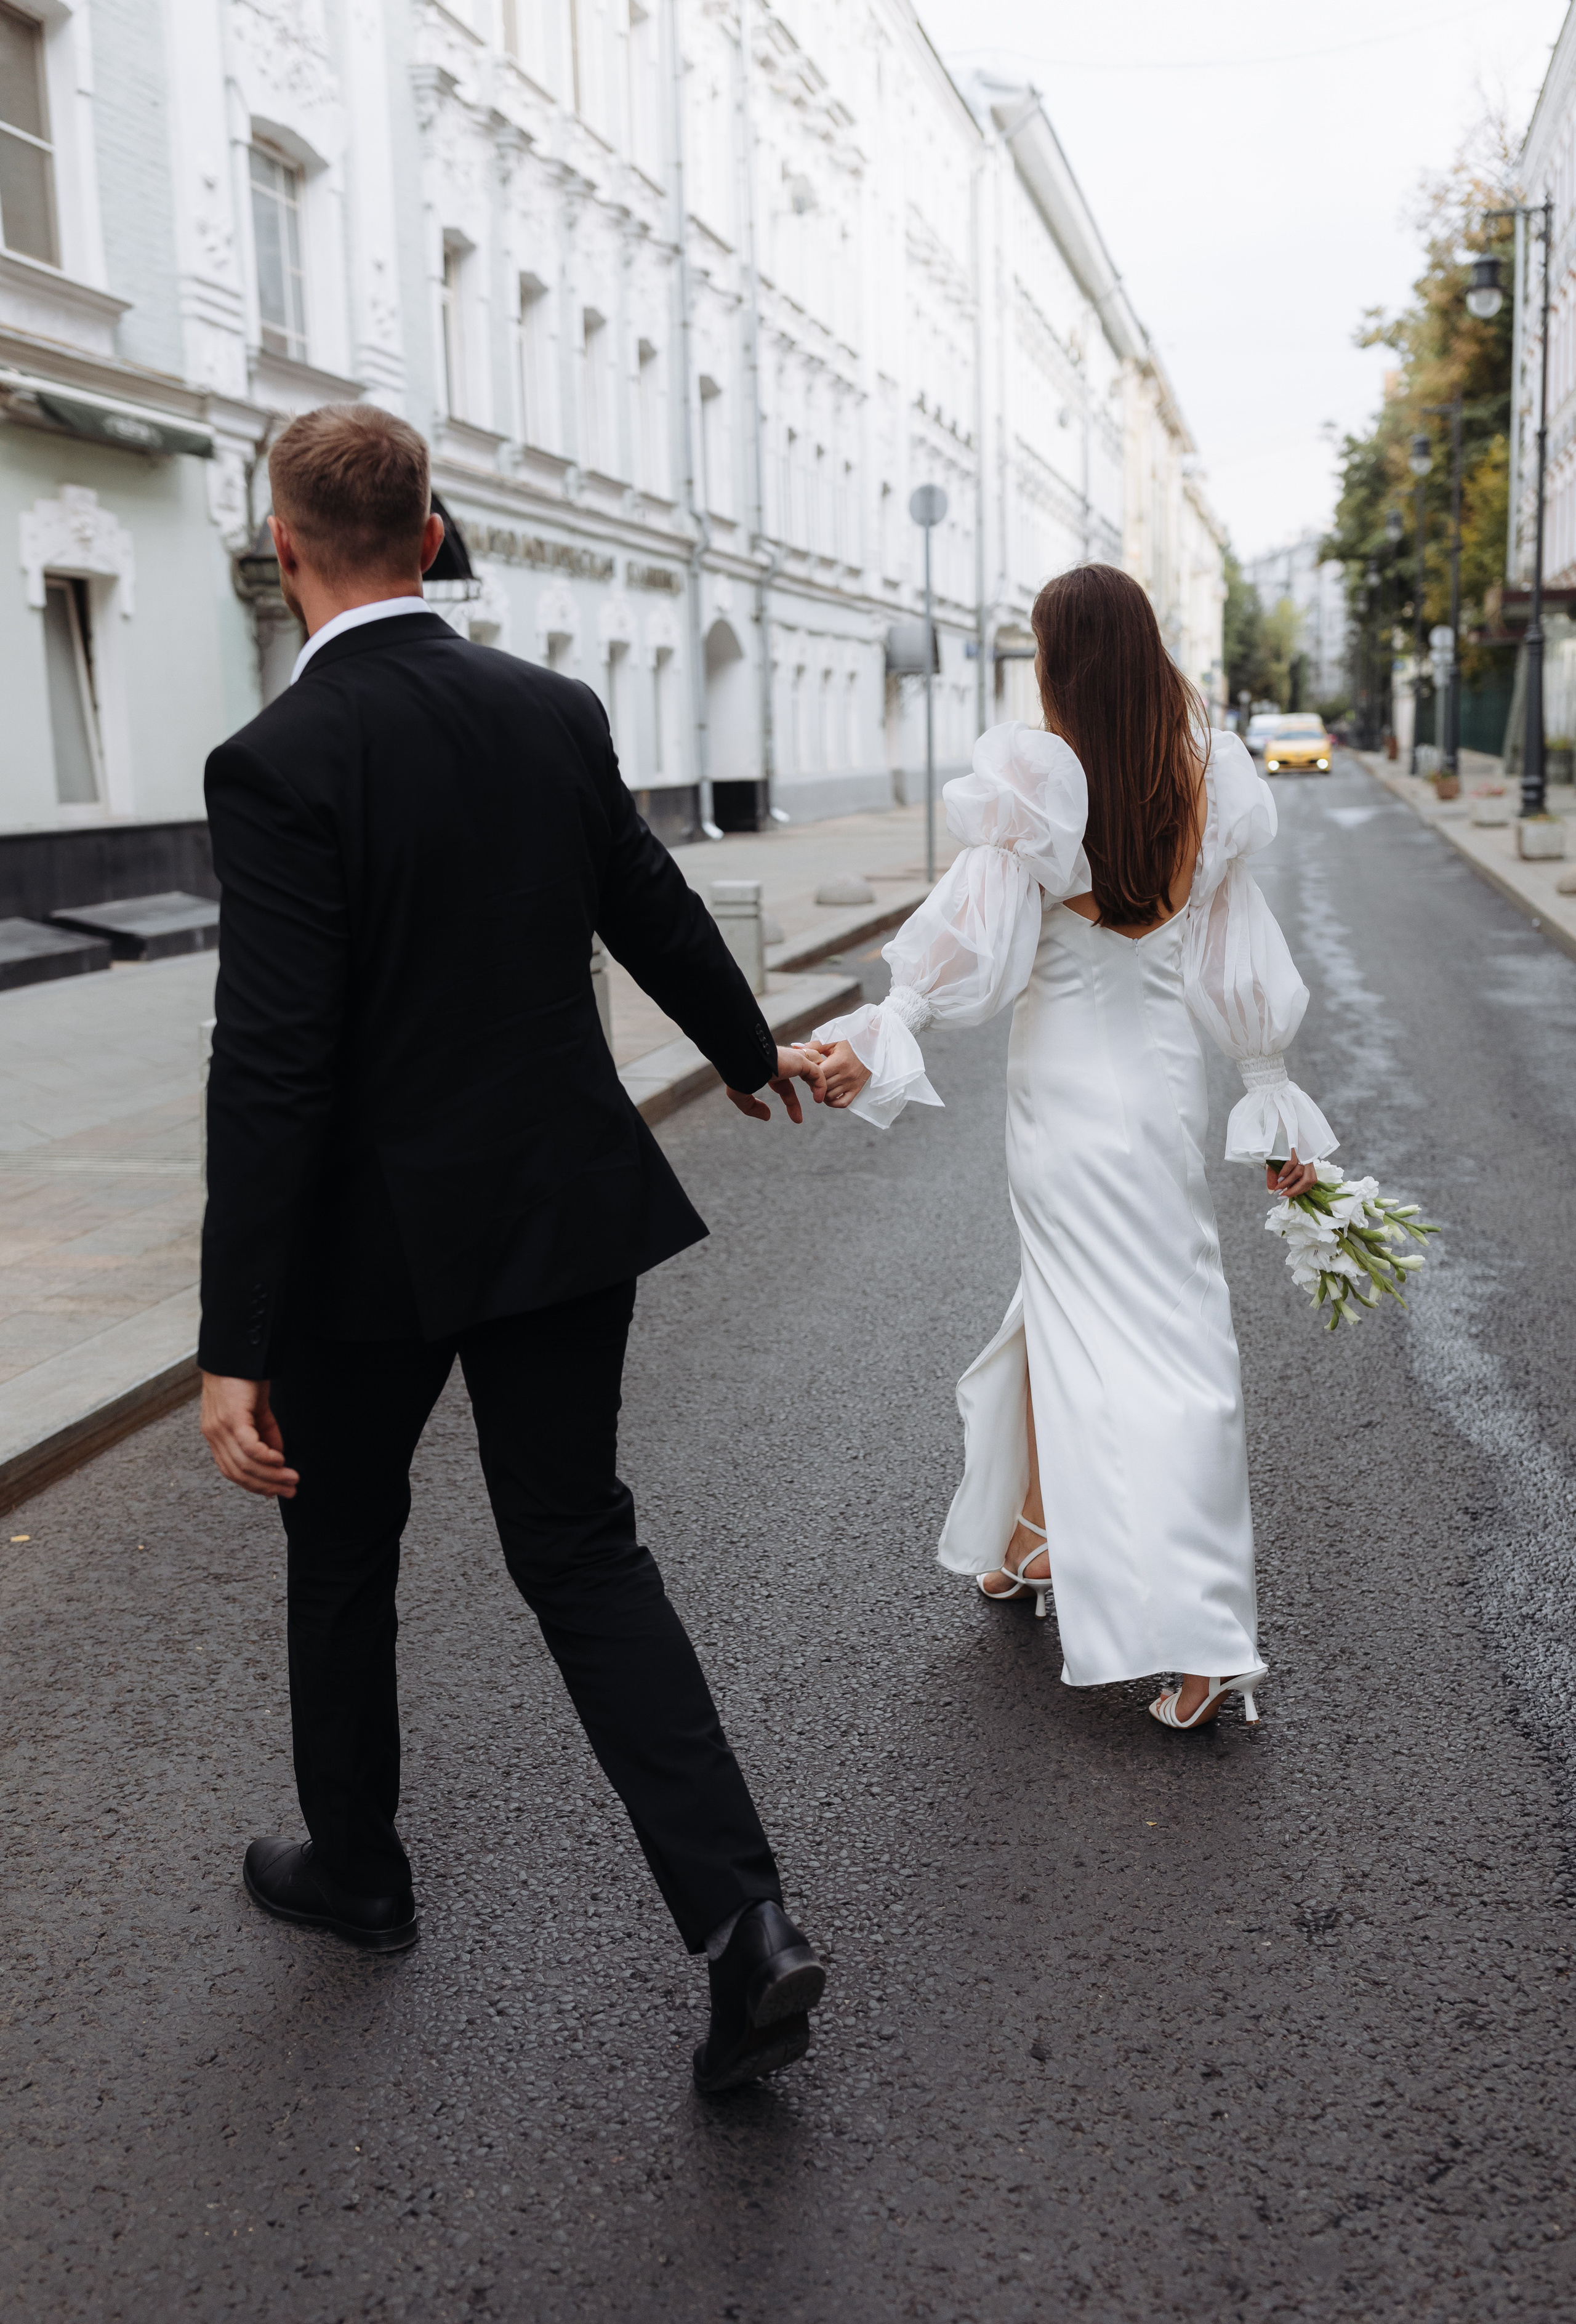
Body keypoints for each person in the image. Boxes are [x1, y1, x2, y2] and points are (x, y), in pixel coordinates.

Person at [197, 403, 826, 2096]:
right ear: (430, 533)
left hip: (363, 1256)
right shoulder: (550, 711)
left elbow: (271, 1062)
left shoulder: (277, 762)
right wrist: (754, 1055)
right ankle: (743, 1924)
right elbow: (653, 901)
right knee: (581, 1549)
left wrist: (233, 1338)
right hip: (559, 1211)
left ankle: (363, 1875)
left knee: (339, 1558)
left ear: (285, 545)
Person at [806, 563, 1336, 1731]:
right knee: (1100, 1312)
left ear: (1059, 663)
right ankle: (1030, 1540)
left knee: (1158, 1358)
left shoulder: (1042, 787)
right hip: (1158, 1097)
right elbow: (1236, 961)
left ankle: (1203, 1639)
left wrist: (887, 1025)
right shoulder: (1200, 787)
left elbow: (973, 950)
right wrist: (1269, 1094)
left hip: (1059, 1107)